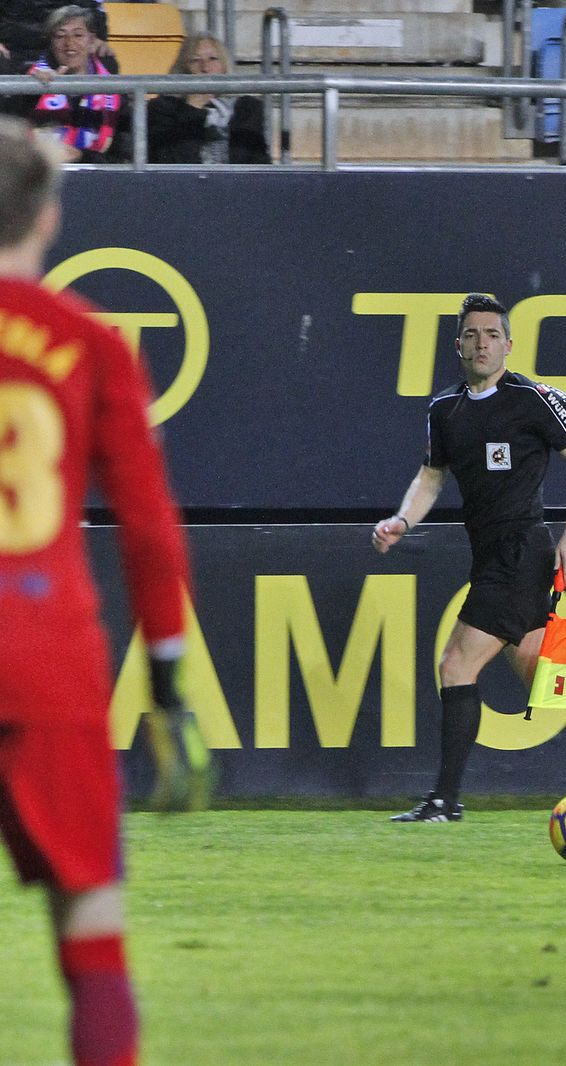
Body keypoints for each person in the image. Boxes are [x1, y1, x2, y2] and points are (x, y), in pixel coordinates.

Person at [0, 117, 200, 1066]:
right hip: (48, 661)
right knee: (92, 927)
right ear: (46, 217)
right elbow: (152, 533)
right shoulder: (89, 344)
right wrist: (166, 681)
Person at [372, 293, 566, 822]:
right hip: (490, 556)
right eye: (472, 334)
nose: (482, 344)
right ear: (458, 344)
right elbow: (431, 478)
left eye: (492, 335)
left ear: (508, 345)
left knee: (456, 664)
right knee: (551, 682)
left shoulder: (532, 399)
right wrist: (402, 521)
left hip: (521, 551)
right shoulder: (444, 410)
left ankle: (443, 801)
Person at [13, 6, 120, 163]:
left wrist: (82, 156)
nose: (69, 43)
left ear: (92, 41)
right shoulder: (29, 78)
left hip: (97, 177)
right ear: (51, 43)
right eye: (60, 36)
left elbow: (121, 152)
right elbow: (13, 135)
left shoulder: (113, 84)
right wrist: (36, 89)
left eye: (78, 35)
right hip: (38, 173)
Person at [147, 32, 269, 165]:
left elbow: (256, 164)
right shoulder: (161, 108)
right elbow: (174, 164)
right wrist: (192, 109)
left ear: (224, 66)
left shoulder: (247, 108)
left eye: (213, 58)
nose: (205, 68)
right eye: (195, 60)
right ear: (183, 68)